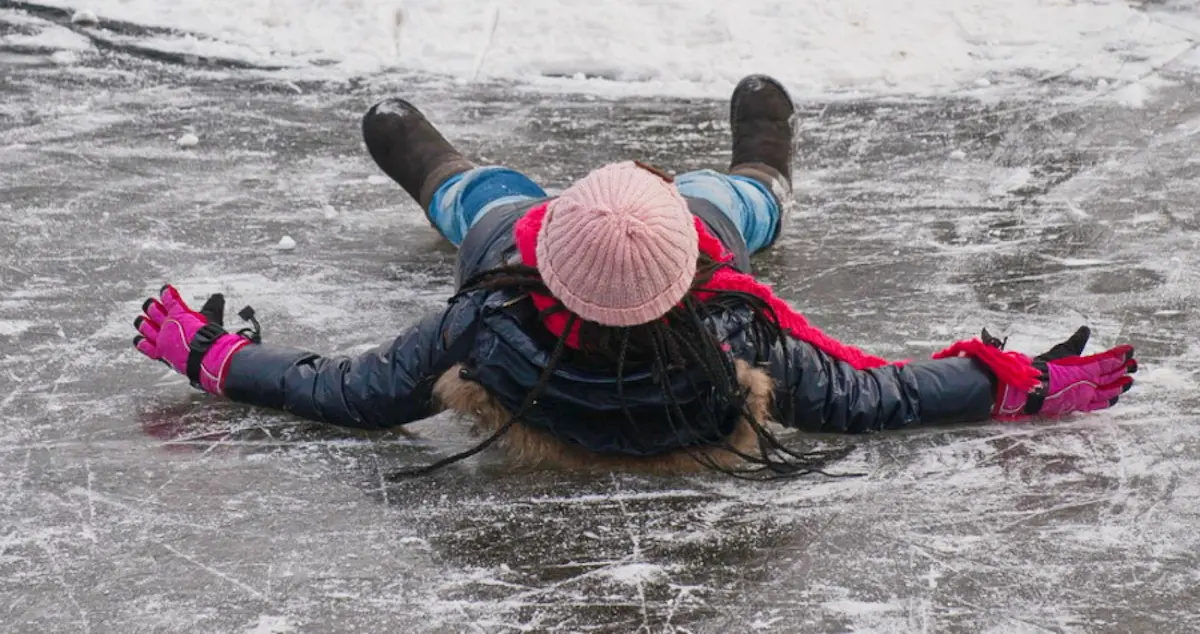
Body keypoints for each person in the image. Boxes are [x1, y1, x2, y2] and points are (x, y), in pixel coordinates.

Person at [131, 75, 1138, 479]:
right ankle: (762, 167)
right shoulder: (735, 330)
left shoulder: (487, 320)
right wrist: (1014, 383)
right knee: (728, 201)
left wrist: (218, 358)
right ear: (691, 274)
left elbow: (350, 394)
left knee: (483, 206)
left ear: (548, 254)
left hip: (513, 257)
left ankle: (434, 166)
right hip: (663, 256)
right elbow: (874, 396)